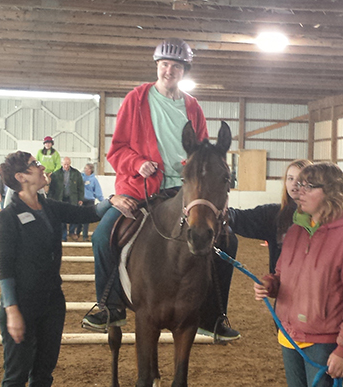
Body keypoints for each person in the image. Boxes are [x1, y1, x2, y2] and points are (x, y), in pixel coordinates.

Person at [82, 37, 240, 341]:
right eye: (165, 64)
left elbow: (204, 152)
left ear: (184, 70)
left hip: (184, 192)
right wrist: (137, 162)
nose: (170, 70)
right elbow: (116, 150)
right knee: (103, 235)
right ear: (157, 66)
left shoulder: (192, 107)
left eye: (176, 66)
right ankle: (110, 305)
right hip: (141, 191)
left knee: (227, 241)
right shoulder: (136, 100)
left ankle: (212, 314)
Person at [0, 151, 130, 386]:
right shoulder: (9, 216)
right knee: (16, 377)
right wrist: (12, 311)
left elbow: (87, 213)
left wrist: (112, 200)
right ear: (21, 177)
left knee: (44, 374)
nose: (41, 167)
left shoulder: (47, 207)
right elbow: (5, 268)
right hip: (22, 304)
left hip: (52, 303)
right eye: (34, 164)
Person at [254, 162, 343, 387]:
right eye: (299, 185)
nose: (299, 192)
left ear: (330, 191)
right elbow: (281, 274)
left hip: (323, 344)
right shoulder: (295, 231)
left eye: (309, 186)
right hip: (289, 337)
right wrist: (270, 284)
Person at [228, 159, 312, 274]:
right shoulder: (273, 215)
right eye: (290, 178)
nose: (294, 183)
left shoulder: (322, 217)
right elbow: (239, 218)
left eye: (300, 179)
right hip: (281, 287)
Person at [47, 157, 84, 241]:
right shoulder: (56, 174)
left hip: (73, 198)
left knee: (73, 215)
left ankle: (72, 232)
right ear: (61, 164)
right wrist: (50, 198)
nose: (66, 166)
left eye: (68, 164)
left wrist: (80, 198)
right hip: (60, 198)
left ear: (70, 164)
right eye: (65, 164)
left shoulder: (76, 173)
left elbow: (81, 187)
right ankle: (63, 236)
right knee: (61, 217)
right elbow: (52, 188)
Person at [71, 163, 104, 242]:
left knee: (87, 220)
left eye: (87, 169)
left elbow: (97, 191)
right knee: (79, 217)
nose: (85, 170)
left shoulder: (94, 180)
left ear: (91, 170)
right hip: (81, 200)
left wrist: (102, 201)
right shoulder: (80, 177)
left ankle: (85, 236)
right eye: (85, 168)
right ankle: (77, 233)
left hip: (90, 201)